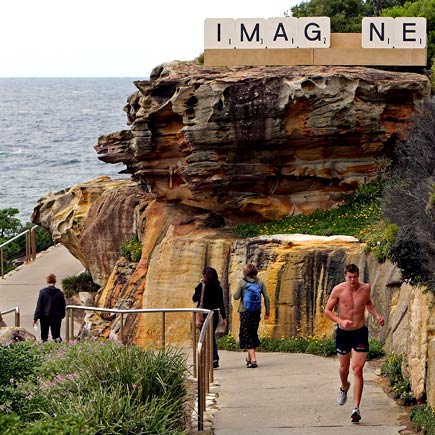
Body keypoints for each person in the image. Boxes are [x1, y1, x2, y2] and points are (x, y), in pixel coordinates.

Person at [325, 263, 385, 423]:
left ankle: (356, 409)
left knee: (357, 369)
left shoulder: (365, 288)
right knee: (344, 369)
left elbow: (368, 304)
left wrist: (377, 315)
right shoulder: (338, 290)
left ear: (358, 276)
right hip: (343, 333)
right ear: (345, 276)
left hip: (360, 332)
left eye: (355, 277)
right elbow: (328, 310)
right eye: (350, 277)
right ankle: (344, 387)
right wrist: (340, 321)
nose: (353, 280)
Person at [233, 263, 270, 368]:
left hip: (244, 312)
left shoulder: (242, 282)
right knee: (252, 332)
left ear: (245, 272)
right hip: (256, 311)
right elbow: (267, 297)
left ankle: (253, 360)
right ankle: (249, 359)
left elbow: (236, 297)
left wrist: (239, 290)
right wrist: (267, 312)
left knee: (247, 334)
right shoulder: (260, 282)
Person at [192, 267, 228, 368]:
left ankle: (203, 359)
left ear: (205, 276)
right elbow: (221, 303)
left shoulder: (202, 286)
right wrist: (224, 317)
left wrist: (199, 286)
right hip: (214, 313)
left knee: (203, 336)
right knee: (211, 336)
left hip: (203, 313)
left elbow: (194, 299)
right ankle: (214, 358)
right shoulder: (218, 287)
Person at [33, 273, 66, 342]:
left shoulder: (42, 292)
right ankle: (59, 351)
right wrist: (62, 315)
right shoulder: (60, 293)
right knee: (56, 336)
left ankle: (45, 349)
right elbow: (63, 306)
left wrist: (35, 318)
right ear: (55, 281)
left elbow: (39, 306)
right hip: (56, 317)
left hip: (44, 317)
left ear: (47, 281)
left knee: (44, 336)